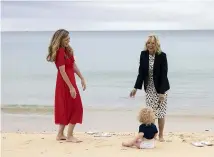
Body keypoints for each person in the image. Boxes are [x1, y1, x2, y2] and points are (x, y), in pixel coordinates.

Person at [46, 29, 86, 143]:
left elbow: (73, 65)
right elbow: (62, 71)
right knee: (77, 107)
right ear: (60, 39)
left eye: (69, 38)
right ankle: (69, 136)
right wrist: (71, 87)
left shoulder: (67, 50)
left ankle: (60, 134)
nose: (69, 40)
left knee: (68, 107)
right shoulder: (60, 52)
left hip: (70, 82)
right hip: (64, 83)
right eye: (66, 38)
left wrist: (82, 77)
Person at [130, 35, 170, 142]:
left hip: (161, 88)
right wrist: (135, 88)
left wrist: (162, 92)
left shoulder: (162, 56)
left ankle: (161, 135)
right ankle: (152, 134)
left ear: (156, 44)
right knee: (151, 113)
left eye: (153, 43)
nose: (150, 45)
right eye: (148, 43)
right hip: (149, 88)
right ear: (146, 44)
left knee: (161, 112)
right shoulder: (143, 54)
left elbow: (164, 74)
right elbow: (141, 73)